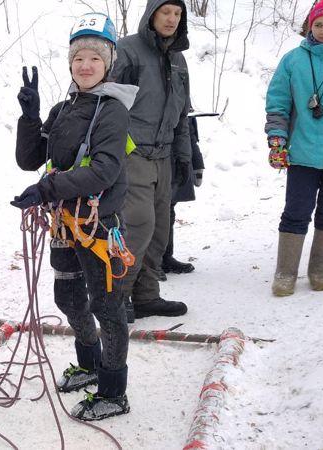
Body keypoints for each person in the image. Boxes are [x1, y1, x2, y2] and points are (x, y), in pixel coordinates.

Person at [12, 12, 138, 421]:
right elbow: (29, 158)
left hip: (98, 225)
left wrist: (46, 189)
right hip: (65, 224)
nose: (85, 65)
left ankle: (113, 389)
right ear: (70, 63)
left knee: (107, 306)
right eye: (79, 57)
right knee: (67, 297)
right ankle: (89, 363)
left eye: (94, 58)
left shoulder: (113, 111)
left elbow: (103, 170)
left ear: (109, 63)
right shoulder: (64, 108)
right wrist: (30, 118)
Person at [265, 0, 323, 296]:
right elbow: (278, 103)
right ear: (309, 27)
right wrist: (277, 139)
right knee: (295, 211)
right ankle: (285, 272)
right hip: (303, 153)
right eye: (318, 24)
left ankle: (320, 269)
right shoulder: (293, 60)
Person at [110, 0, 192, 321]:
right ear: (152, 14)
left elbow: (182, 113)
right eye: (165, 12)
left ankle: (145, 296)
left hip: (164, 154)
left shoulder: (179, 59)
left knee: (159, 228)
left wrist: (184, 155)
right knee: (138, 227)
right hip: (132, 152)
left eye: (177, 14)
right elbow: (108, 101)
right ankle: (117, 297)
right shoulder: (127, 50)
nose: (171, 19)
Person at [157, 112, 205, 280]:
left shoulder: (178, 87)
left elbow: (186, 126)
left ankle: (164, 258)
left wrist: (196, 162)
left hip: (174, 154)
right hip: (146, 153)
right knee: (146, 212)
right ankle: (149, 262)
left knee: (168, 208)